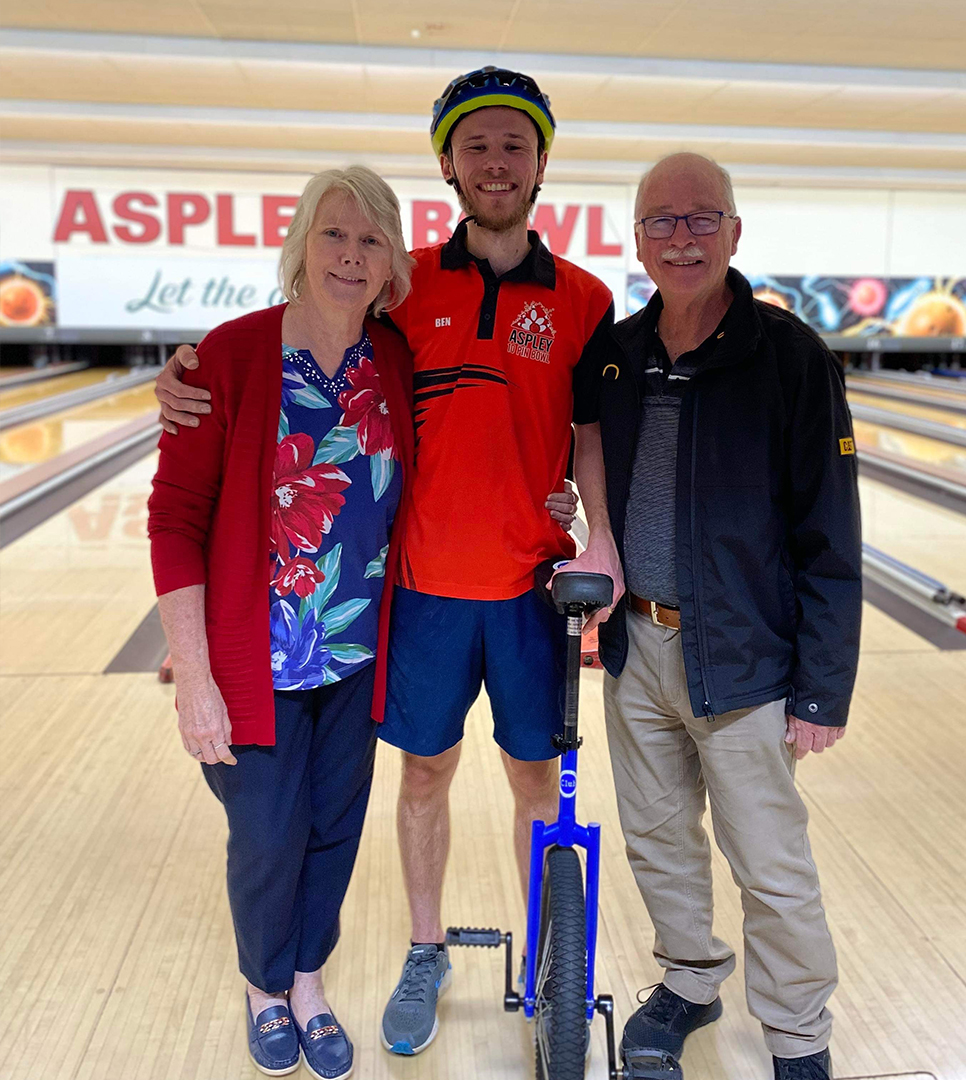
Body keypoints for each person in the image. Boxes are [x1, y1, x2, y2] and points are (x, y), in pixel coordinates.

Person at [152, 67, 624, 1060]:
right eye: (477, 145)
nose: (497, 162)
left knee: (534, 788)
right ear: (447, 161)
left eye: (515, 144)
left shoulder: (582, 298)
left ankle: (552, 954)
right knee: (422, 778)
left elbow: (585, 429)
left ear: (542, 159)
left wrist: (594, 527)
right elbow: (285, 359)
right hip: (418, 597)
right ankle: (422, 951)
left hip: (526, 592)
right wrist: (182, 378)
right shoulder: (406, 286)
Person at [148, 165, 417, 1080]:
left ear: (391, 261)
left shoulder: (395, 359)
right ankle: (264, 989)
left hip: (353, 655)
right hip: (251, 661)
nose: (351, 254)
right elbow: (175, 522)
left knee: (336, 826)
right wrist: (193, 676)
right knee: (267, 833)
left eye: (371, 239)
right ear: (301, 242)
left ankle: (308, 981)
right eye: (334, 234)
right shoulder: (226, 356)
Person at [597, 152, 861, 1080]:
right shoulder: (618, 356)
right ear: (637, 242)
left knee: (771, 864)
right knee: (658, 840)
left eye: (701, 218)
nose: (681, 237)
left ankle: (796, 1033)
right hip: (638, 648)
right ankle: (691, 980)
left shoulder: (790, 358)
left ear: (735, 232)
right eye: (660, 222)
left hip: (745, 656)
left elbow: (831, 534)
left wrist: (822, 689)